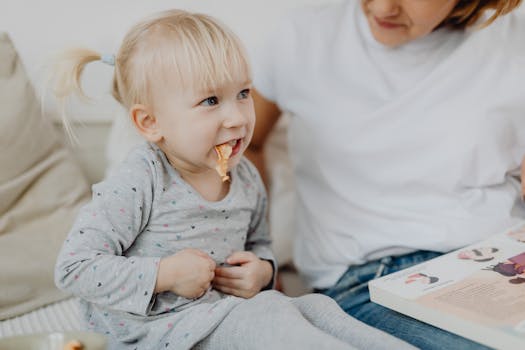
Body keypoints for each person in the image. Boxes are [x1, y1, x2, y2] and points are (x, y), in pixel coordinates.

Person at [52, 9, 415, 350]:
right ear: (151, 123)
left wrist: (262, 271)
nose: (238, 118)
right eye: (210, 101)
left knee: (316, 308)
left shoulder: (245, 177)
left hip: (223, 318)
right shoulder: (141, 179)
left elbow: (259, 242)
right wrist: (164, 274)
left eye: (242, 94)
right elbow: (73, 268)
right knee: (267, 315)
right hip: (156, 332)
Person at [248, 0, 525, 349]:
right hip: (367, 281)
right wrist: (259, 258)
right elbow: (244, 144)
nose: (381, 7)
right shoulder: (305, 36)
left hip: (500, 260)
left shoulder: (514, 43)